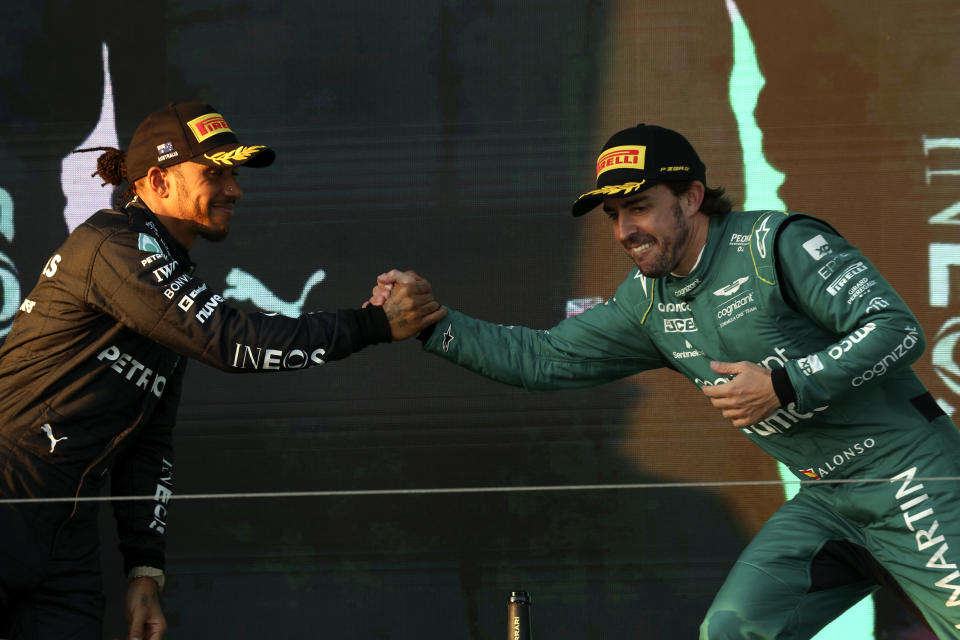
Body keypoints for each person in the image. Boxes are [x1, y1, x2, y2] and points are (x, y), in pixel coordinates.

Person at [373, 124, 960, 638]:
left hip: (912, 480)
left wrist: (786, 383)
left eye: (640, 206)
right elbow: (543, 358)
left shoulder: (778, 243)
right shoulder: (646, 303)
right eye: (614, 214)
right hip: (827, 503)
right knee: (730, 630)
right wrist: (431, 324)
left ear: (692, 196)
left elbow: (896, 330)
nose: (626, 228)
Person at [0, 102, 445, 640]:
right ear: (159, 179)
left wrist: (144, 570)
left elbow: (147, 441)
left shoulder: (165, 272)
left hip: (66, 534)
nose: (234, 189)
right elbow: (227, 342)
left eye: (234, 174)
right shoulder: (114, 243)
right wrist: (371, 324)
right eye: (215, 172)